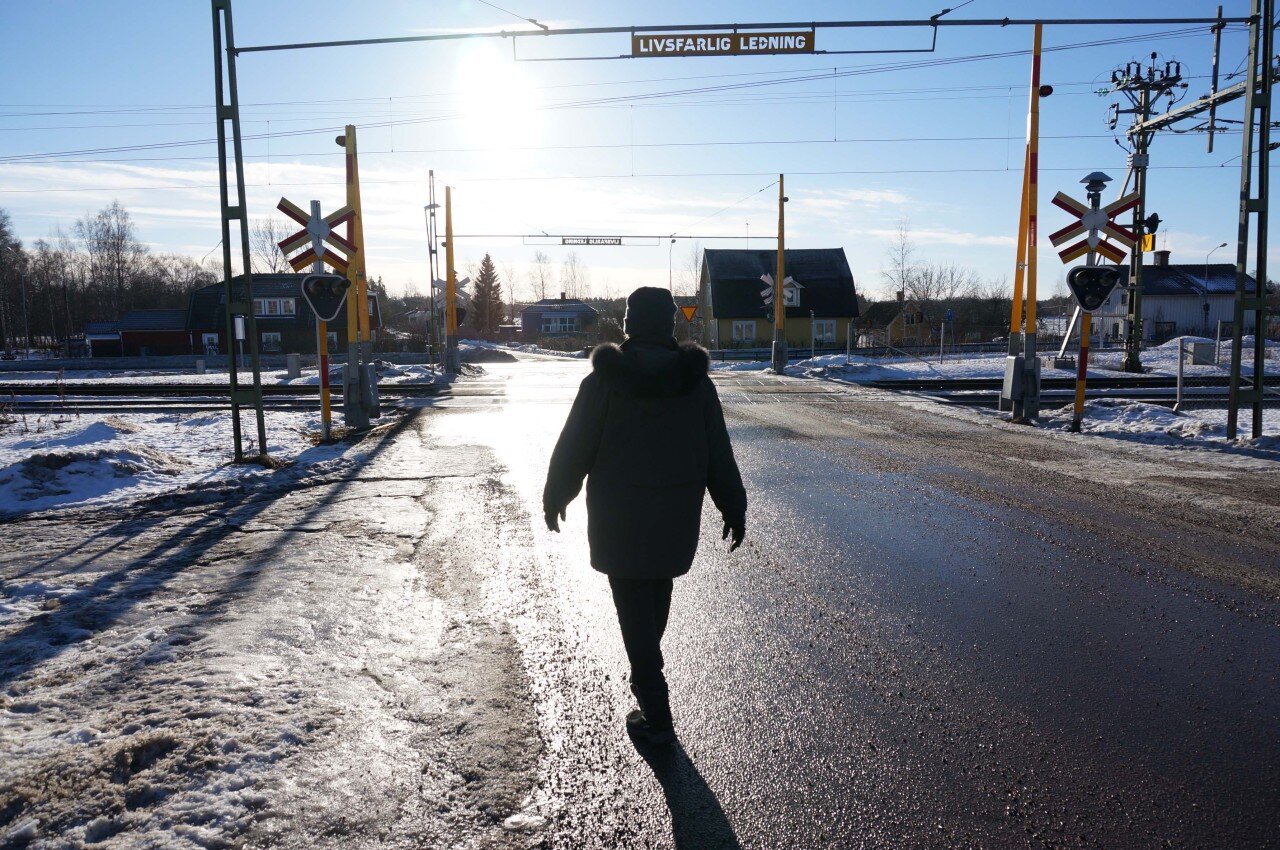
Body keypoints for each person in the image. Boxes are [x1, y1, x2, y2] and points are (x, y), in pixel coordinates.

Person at [543, 286, 747, 746]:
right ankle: (648, 676)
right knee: (654, 591)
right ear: (670, 326)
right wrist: (732, 505)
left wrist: (557, 493)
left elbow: (575, 444)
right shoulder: (696, 384)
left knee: (632, 601)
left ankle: (655, 708)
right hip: (675, 512)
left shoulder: (603, 383)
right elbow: (719, 452)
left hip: (618, 515)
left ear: (630, 326)